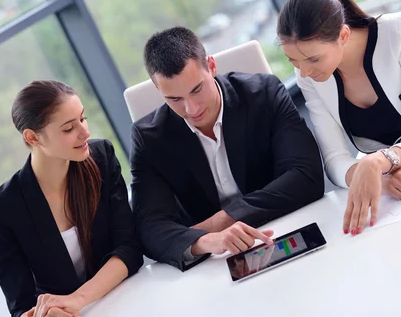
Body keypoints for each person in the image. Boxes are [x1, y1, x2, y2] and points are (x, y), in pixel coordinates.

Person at [130, 27, 324, 271]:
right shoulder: (149, 139)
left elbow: (307, 176)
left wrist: (224, 220)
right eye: (174, 99)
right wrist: (206, 241)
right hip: (214, 263)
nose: (191, 109)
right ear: (158, 89)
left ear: (211, 66)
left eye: (196, 89)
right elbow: (149, 229)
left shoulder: (264, 93)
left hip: (287, 231)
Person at [0, 80, 143, 317]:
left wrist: (77, 300)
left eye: (83, 118)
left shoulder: (101, 158)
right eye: (69, 128)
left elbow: (128, 248)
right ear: (32, 138)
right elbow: (21, 305)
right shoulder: (2, 209)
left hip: (126, 298)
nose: (85, 132)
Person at [277, 0, 401, 236]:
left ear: (343, 35)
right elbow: (334, 159)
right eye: (293, 61)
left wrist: (378, 161)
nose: (304, 72)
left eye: (313, 59)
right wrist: (378, 178)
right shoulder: (307, 75)